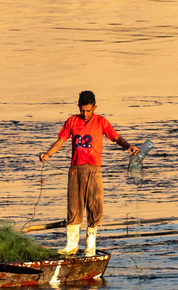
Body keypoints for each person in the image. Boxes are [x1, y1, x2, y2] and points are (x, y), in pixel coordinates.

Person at [38, 90, 137, 256]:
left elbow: (116, 138)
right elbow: (60, 141)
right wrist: (47, 154)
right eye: (82, 110)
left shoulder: (101, 122)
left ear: (95, 107)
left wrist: (129, 147)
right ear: (78, 107)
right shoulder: (72, 121)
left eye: (88, 110)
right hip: (75, 171)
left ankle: (90, 247)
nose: (85, 114)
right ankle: (71, 245)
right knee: (74, 207)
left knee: (94, 205)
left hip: (94, 170)